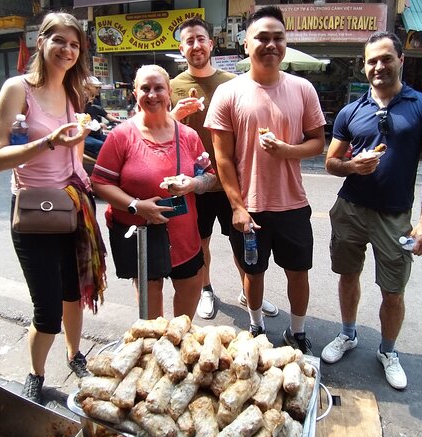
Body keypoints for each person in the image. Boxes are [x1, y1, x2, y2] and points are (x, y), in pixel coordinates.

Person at [0, 12, 107, 404]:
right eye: (59, 41)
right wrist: (49, 142)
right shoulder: (17, 88)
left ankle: (75, 355)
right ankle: (35, 374)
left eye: (74, 44)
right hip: (35, 210)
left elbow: (73, 154)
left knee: (74, 292)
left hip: (74, 204)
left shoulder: (73, 94)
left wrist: (83, 142)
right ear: (41, 42)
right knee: (47, 308)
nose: (67, 50)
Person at [322, 31, 422, 390]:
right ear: (364, 64)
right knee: (348, 275)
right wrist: (351, 165)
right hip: (350, 209)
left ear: (401, 60)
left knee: (393, 290)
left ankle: (388, 351)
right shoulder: (351, 110)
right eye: (371, 60)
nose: (378, 66)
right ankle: (348, 334)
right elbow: (330, 162)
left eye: (385, 58)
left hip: (394, 216)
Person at [204, 6, 325, 353]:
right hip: (250, 207)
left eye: (278, 38)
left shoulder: (303, 89)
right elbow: (222, 158)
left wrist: (288, 150)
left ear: (285, 43)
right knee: (253, 273)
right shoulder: (228, 93)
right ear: (246, 44)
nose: (271, 44)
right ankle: (256, 327)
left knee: (298, 272)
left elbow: (318, 141)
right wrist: (237, 207)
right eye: (262, 37)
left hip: (293, 203)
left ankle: (297, 331)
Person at [170, 17, 279, 320]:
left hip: (234, 181)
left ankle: (249, 292)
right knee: (201, 241)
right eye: (189, 41)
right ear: (182, 48)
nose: (196, 45)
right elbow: (161, 131)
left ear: (211, 43)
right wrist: (175, 115)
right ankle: (207, 290)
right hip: (195, 183)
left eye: (201, 39)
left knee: (243, 241)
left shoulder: (233, 82)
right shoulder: (172, 86)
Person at [91, 64, 217, 320]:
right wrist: (137, 205)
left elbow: (210, 176)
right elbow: (100, 182)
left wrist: (193, 184)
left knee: (186, 306)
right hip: (144, 237)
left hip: (185, 238)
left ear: (169, 92)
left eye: (158, 88)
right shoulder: (121, 136)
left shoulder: (189, 136)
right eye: (145, 88)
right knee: (152, 321)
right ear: (135, 93)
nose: (152, 95)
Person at [83, 76, 122, 159]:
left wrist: (123, 122)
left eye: (99, 87)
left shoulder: (95, 101)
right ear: (88, 87)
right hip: (85, 136)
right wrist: (98, 124)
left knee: (114, 142)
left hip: (96, 134)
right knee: (103, 146)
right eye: (96, 87)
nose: (99, 89)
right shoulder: (79, 101)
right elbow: (79, 121)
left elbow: (106, 115)